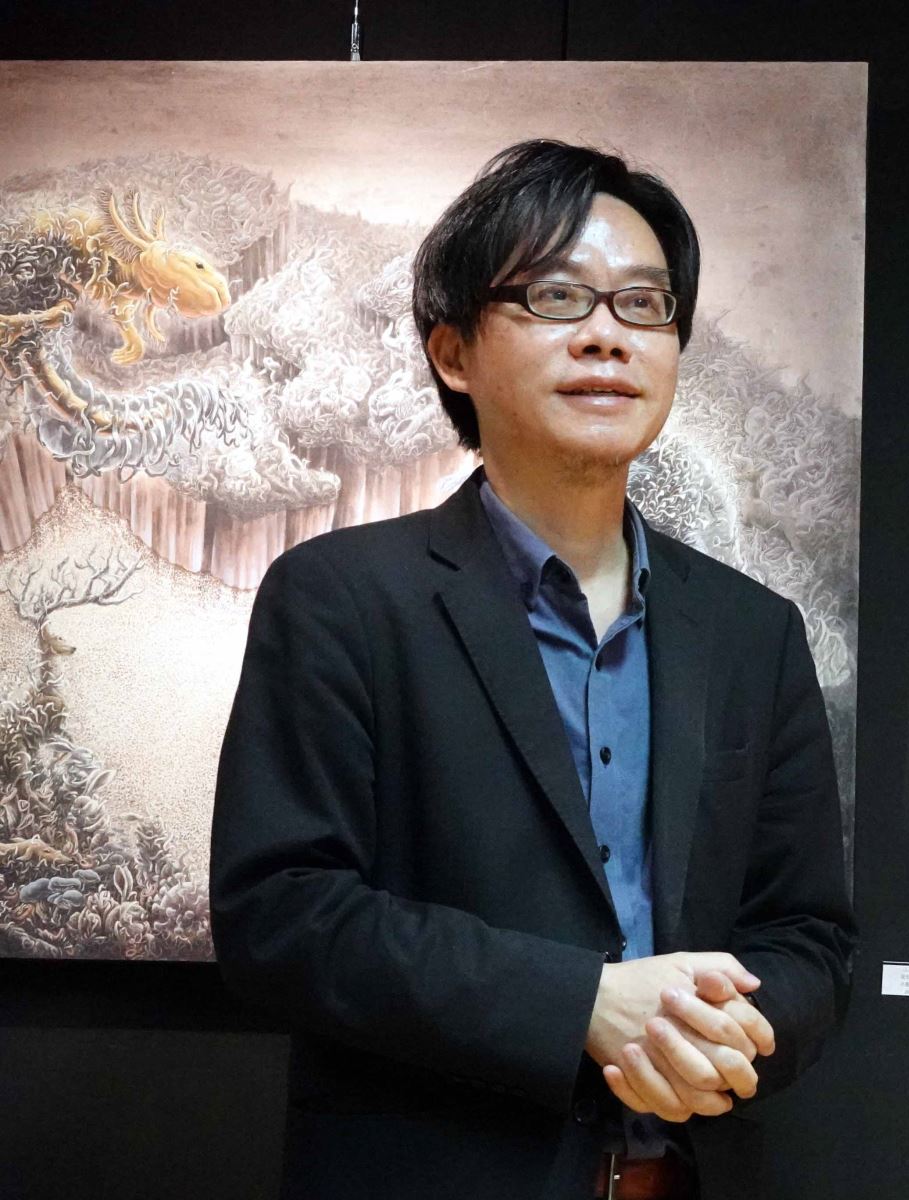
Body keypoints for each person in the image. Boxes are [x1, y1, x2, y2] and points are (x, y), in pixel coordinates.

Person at [209, 139, 857, 1200]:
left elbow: (807, 934)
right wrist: (581, 1006)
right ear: (454, 353)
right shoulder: (340, 597)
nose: (607, 335)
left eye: (644, 304)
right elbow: (281, 915)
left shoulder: (753, 630)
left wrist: (732, 1030)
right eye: (556, 297)